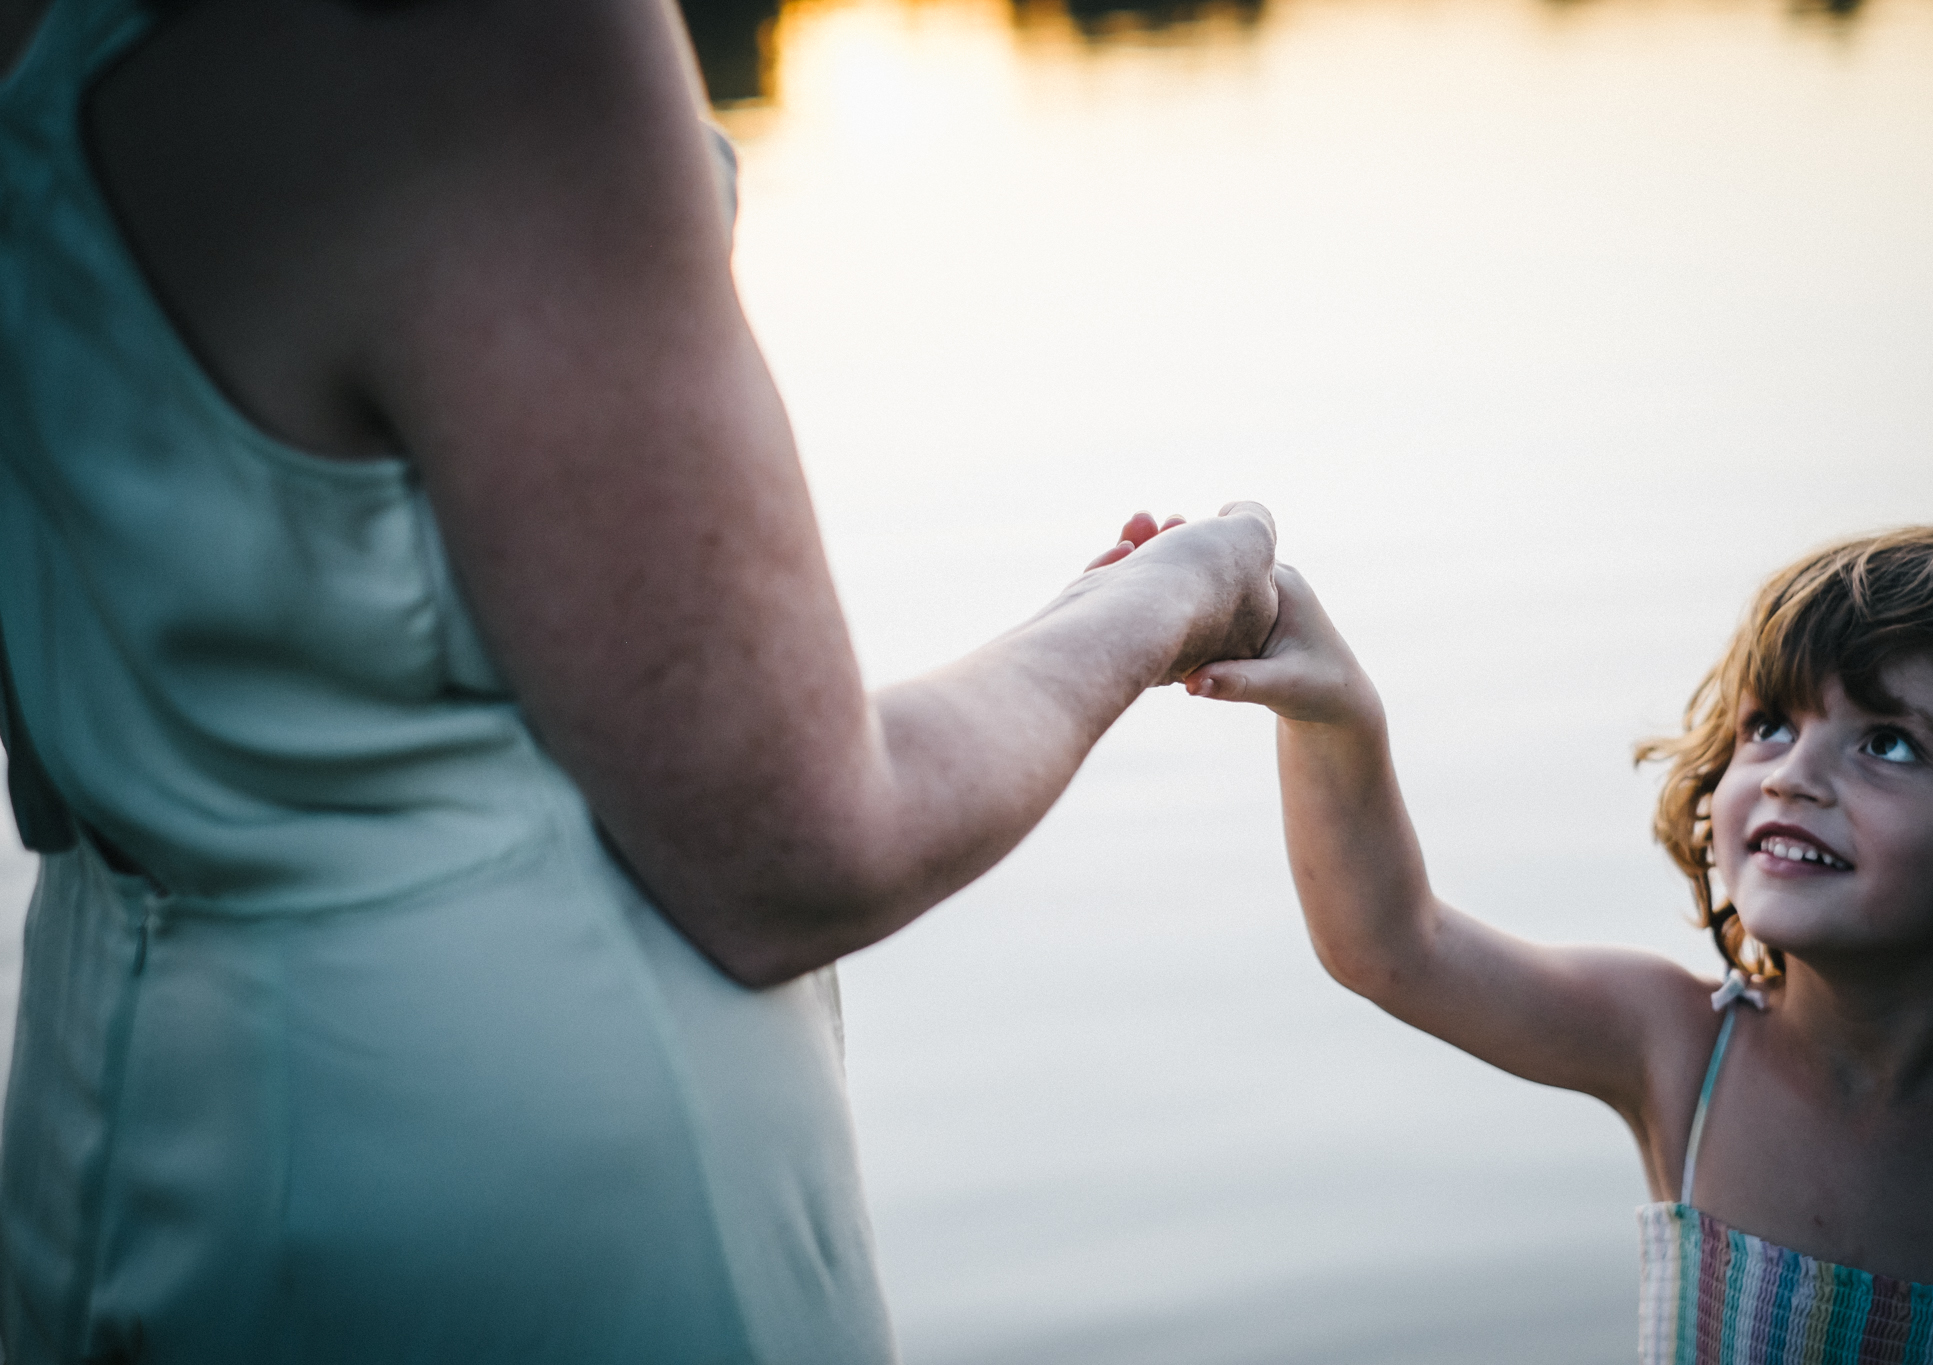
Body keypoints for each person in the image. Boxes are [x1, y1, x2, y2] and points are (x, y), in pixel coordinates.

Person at [0, 0, 1278, 1359]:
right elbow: (801, 852)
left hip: (97, 1146)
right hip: (516, 1235)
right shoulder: (499, 39)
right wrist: (1172, 594)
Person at [1188, 527, 1933, 1361]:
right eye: (1769, 726)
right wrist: (1333, 710)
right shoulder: (1679, 1049)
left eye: (1886, 742)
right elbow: (1393, 944)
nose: (1791, 774)